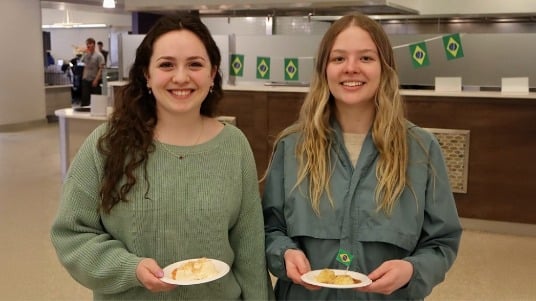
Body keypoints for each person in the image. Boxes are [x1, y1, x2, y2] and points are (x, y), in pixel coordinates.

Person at [51, 14, 274, 300]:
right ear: (147, 74)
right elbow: (71, 234)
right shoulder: (107, 144)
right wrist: (129, 268)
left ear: (212, 73)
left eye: (195, 64)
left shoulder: (233, 145)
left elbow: (250, 247)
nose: (181, 77)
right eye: (166, 65)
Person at [262, 14, 462, 300]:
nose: (351, 69)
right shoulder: (292, 146)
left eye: (366, 58)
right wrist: (284, 253)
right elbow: (271, 227)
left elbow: (442, 241)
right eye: (338, 59)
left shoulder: (421, 148)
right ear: (324, 69)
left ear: (385, 68)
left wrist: (412, 270)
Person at [80, 37, 105, 106]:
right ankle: (83, 115)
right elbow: (83, 63)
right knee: (85, 99)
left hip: (95, 80)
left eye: (90, 44)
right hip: (86, 79)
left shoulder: (99, 55)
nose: (88, 45)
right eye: (87, 44)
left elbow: (101, 69)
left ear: (93, 45)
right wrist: (85, 53)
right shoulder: (86, 54)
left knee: (96, 99)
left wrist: (96, 80)